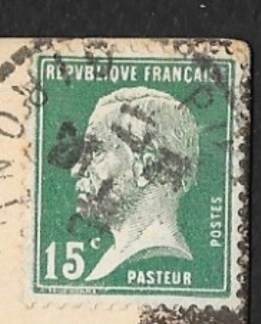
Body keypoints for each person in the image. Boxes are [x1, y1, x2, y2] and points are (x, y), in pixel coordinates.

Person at [70, 88, 199, 281]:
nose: (77, 169)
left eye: (97, 151)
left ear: (146, 168)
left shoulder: (155, 259)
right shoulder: (116, 258)